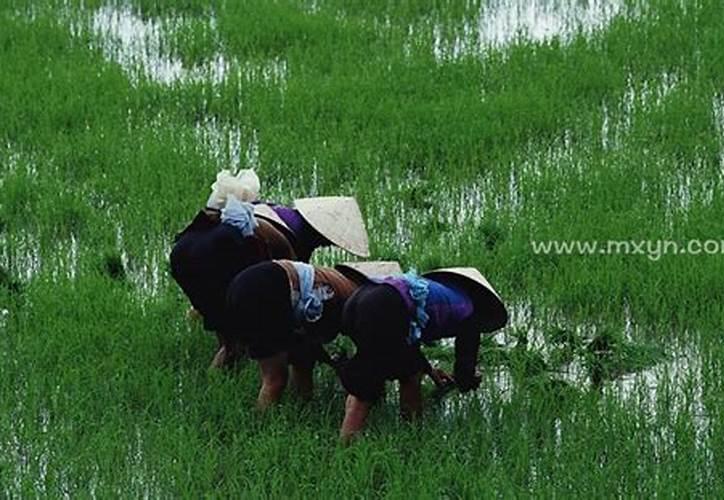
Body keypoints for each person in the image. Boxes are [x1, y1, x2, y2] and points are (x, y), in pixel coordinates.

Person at [169, 170, 371, 367]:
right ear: (320, 233)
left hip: (184, 250)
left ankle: (216, 374)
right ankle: (219, 379)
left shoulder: (277, 212)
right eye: (328, 241)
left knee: (226, 324)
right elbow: (284, 290)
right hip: (216, 254)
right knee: (235, 343)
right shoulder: (294, 239)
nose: (326, 245)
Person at [336, 267, 508, 441]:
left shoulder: (441, 291)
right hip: (383, 307)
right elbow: (465, 372)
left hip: (358, 299)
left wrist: (430, 371)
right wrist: (469, 379)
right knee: (400, 379)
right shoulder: (468, 312)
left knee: (372, 366)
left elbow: (411, 343)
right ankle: (410, 435)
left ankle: (362, 434)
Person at [223, 260, 401, 408]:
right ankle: (258, 429)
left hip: (243, 282)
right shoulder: (351, 299)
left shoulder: (334, 280)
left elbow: (310, 345)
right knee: (275, 378)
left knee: (302, 357)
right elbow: (350, 351)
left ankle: (299, 407)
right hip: (268, 290)